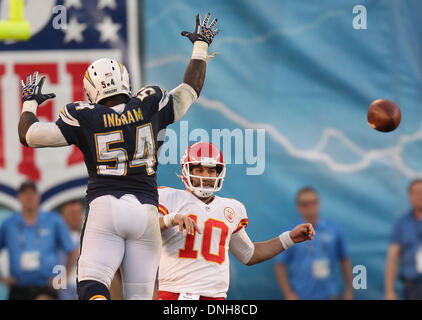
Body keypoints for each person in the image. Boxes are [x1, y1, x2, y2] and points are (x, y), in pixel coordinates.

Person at [17, 13, 220, 300]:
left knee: (91, 282)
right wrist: (200, 46)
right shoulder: (151, 101)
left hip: (106, 207)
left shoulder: (84, 116)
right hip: (147, 212)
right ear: (125, 80)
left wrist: (29, 101)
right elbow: (190, 91)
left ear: (90, 89)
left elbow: (28, 136)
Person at [156, 142, 315, 300]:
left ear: (219, 173)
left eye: (211, 171)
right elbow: (144, 230)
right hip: (173, 294)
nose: (205, 176)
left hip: (215, 299)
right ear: (187, 171)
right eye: (199, 170)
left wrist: (290, 238)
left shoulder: (230, 208)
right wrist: (171, 219)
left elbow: (249, 254)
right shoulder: (169, 198)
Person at [0, 181, 77, 300]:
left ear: (38, 196)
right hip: (18, 288)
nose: (29, 197)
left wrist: (64, 277)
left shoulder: (53, 220)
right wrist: (2, 278)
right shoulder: (9, 224)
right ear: (19, 197)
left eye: (32, 193)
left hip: (46, 287)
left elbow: (72, 250)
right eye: (25, 193)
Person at [274, 187, 353, 300]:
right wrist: (289, 294)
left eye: (313, 202)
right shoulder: (291, 233)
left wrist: (349, 290)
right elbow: (279, 265)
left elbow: (344, 259)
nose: (310, 207)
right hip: (301, 295)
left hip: (330, 294)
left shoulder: (333, 229)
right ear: (298, 207)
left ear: (319, 203)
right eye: (305, 204)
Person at [385, 179, 422, 300]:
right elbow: (392, 258)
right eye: (416, 192)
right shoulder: (401, 224)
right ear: (410, 196)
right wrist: (389, 291)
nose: (419, 196)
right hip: (412, 287)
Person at [58, 199, 84, 300]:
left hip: (84, 287)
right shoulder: (56, 238)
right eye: (72, 213)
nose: (76, 216)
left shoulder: (88, 238)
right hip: (63, 288)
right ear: (62, 215)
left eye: (78, 213)